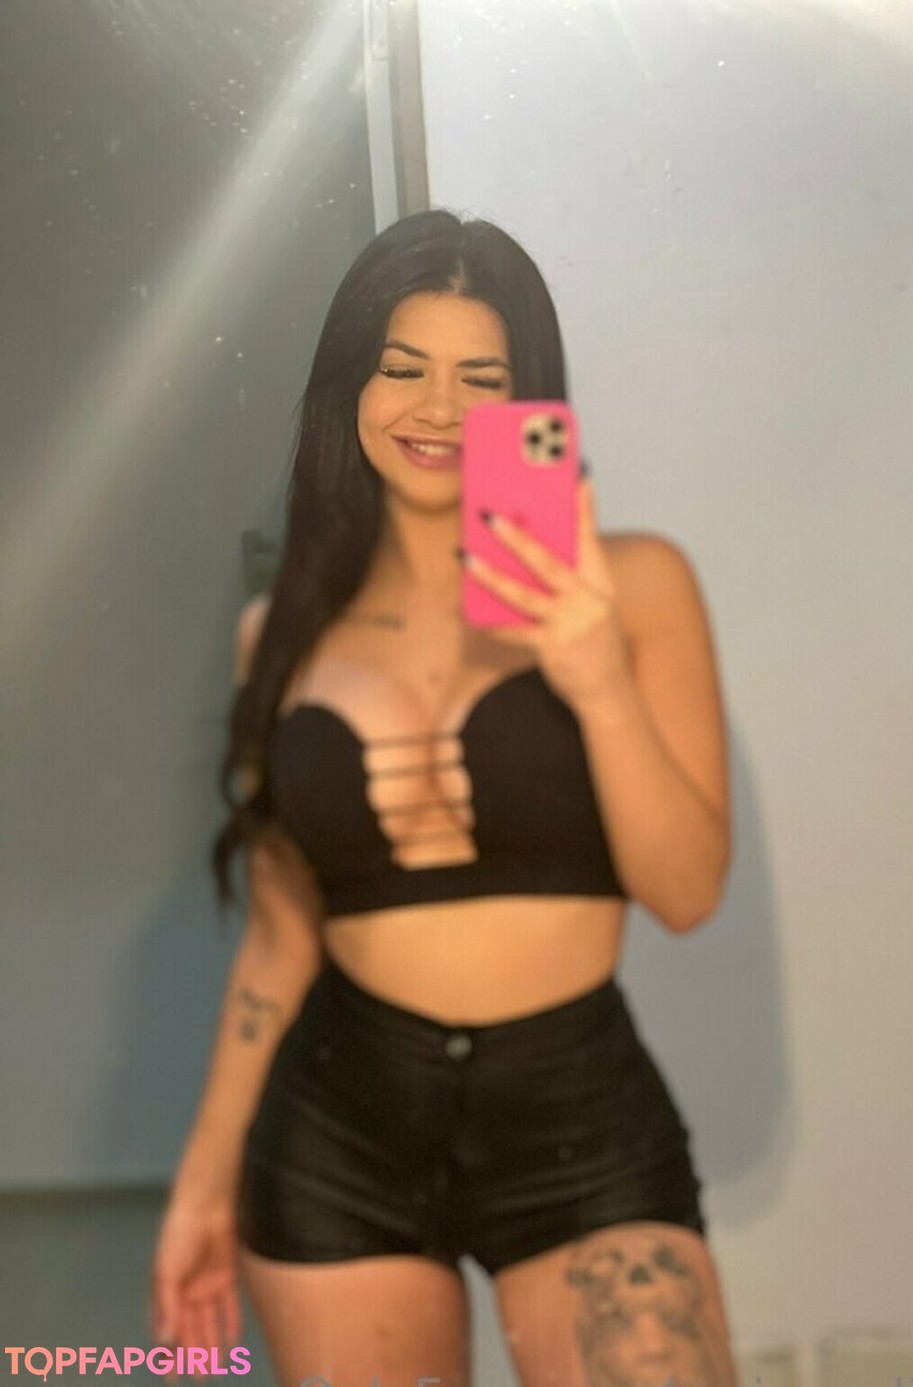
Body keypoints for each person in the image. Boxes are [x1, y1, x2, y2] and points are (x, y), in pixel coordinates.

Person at [151, 208, 737, 1387]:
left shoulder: (634, 585)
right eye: (402, 366)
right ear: (350, 387)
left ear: (530, 402)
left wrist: (594, 679)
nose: (437, 408)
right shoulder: (282, 635)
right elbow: (280, 937)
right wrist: (203, 1185)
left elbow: (684, 893)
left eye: (482, 378)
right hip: (341, 1122)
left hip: (576, 1103)